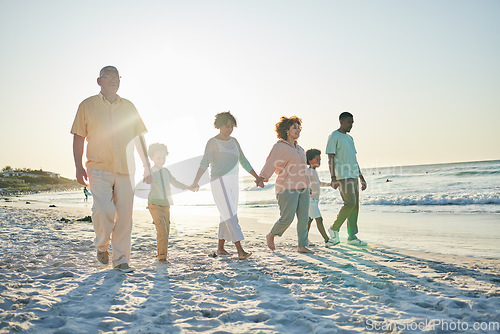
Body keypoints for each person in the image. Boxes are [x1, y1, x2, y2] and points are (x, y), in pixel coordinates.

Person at [71, 66, 150, 273]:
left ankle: (121, 259)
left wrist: (147, 166)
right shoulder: (87, 105)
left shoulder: (129, 106)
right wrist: (78, 166)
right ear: (99, 81)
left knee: (125, 216)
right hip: (98, 167)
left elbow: (138, 137)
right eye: (109, 77)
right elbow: (78, 136)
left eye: (117, 77)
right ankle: (101, 245)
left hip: (126, 169)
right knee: (103, 209)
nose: (114, 81)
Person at [190, 112, 263, 260]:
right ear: (219, 126)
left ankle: (221, 248)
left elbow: (243, 160)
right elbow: (204, 163)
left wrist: (256, 177)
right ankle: (240, 250)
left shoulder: (234, 141)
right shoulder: (213, 142)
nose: (229, 129)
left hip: (234, 181)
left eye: (232, 126)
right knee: (230, 214)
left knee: (227, 214)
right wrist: (195, 181)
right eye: (227, 126)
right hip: (219, 181)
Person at [259, 116, 313, 254]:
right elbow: (271, 162)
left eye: (299, 127)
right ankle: (271, 235)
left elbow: (303, 168)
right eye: (294, 127)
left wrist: (309, 185)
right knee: (287, 218)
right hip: (287, 187)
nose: (298, 130)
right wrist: (263, 176)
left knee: (304, 218)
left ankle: (302, 245)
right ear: (286, 130)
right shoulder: (280, 147)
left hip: (303, 187)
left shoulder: (300, 149)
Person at [326, 112, 367, 246]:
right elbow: (330, 158)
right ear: (341, 121)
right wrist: (333, 177)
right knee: (349, 203)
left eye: (352, 122)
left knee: (355, 206)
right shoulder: (334, 136)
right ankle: (334, 228)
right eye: (349, 122)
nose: (351, 125)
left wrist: (361, 177)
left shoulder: (350, 139)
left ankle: (352, 237)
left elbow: (354, 159)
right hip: (343, 176)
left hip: (353, 175)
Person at [147, 143, 191, 262]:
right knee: (161, 230)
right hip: (154, 204)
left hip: (166, 205)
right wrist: (147, 176)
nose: (161, 160)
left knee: (166, 232)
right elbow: (146, 179)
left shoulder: (166, 171)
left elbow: (175, 182)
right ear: (152, 158)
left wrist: (187, 187)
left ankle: (163, 255)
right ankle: (162, 257)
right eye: (158, 158)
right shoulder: (150, 171)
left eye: (164, 157)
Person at [305, 149, 336, 247]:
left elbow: (319, 183)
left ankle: (304, 239)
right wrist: (307, 188)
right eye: (317, 159)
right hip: (310, 200)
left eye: (320, 159)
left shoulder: (314, 171)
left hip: (314, 200)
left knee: (309, 220)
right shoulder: (308, 171)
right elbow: (305, 181)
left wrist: (330, 184)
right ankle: (327, 240)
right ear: (310, 160)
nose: (319, 161)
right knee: (319, 219)